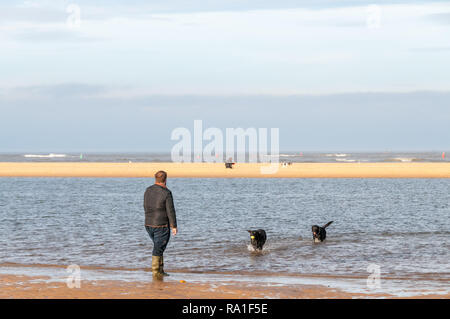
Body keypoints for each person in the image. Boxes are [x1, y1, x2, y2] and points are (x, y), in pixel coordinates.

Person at [143, 170, 177, 279]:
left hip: (148, 224)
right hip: (160, 225)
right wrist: (174, 226)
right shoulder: (166, 193)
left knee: (159, 247)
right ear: (165, 180)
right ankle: (156, 272)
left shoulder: (148, 190)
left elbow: (145, 205)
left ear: (155, 179)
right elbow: (170, 210)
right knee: (158, 248)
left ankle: (160, 270)